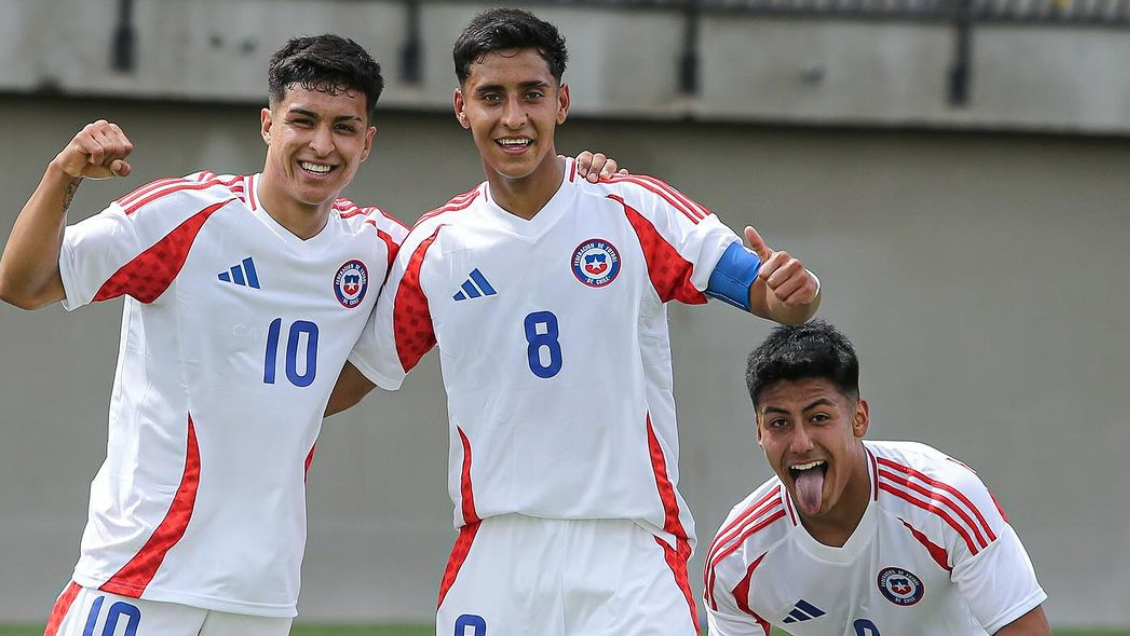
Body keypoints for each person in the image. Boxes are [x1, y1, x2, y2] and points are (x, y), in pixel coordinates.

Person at [0, 34, 619, 636]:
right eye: (304, 121)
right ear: (268, 125)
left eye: (344, 127)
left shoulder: (379, 249)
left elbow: (491, 258)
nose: (322, 145)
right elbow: (22, 285)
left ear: (367, 143)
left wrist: (579, 185)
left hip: (262, 592)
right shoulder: (181, 218)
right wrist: (64, 175)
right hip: (138, 572)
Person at [335, 8, 821, 636]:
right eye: (492, 97)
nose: (513, 118)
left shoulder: (632, 207)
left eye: (532, 95)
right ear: (462, 108)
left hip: (628, 551)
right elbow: (362, 369)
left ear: (561, 102)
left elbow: (764, 290)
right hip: (497, 551)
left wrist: (792, 294)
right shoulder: (434, 247)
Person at [704, 321, 1051, 636]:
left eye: (819, 417)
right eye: (779, 423)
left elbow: (1024, 628)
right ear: (759, 432)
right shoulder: (736, 561)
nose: (801, 444)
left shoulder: (945, 498)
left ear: (859, 419)